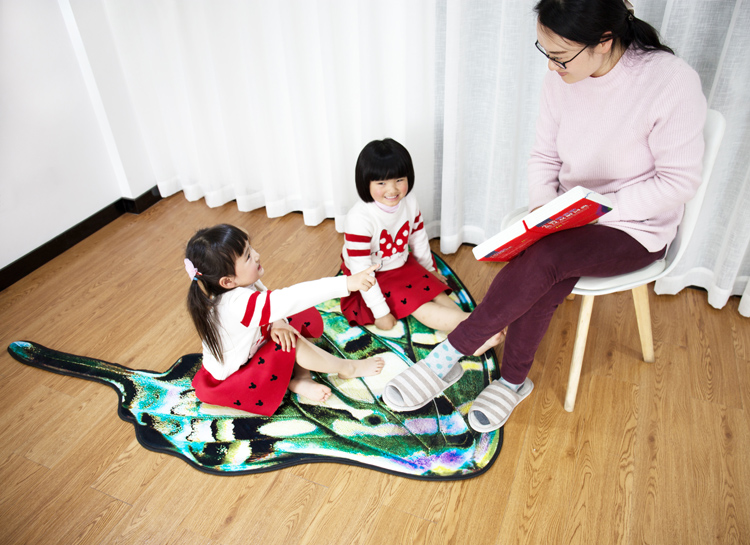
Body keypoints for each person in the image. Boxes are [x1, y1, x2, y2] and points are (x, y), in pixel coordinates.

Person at [383, 0, 706, 429]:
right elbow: (545, 155)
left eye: (560, 56)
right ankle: (512, 381)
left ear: (604, 41)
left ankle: (449, 356)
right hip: (569, 215)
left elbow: (678, 182)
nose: (551, 67)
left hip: (636, 226)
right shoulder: (563, 76)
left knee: (547, 259)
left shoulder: (670, 81)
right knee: (545, 262)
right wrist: (544, 211)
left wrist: (596, 213)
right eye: (545, 52)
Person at [185, 224, 384, 416]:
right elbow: (291, 298)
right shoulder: (234, 305)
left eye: (251, 248)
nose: (256, 255)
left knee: (302, 318)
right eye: (248, 256)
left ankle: (301, 378)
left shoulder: (241, 285)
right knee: (290, 340)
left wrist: (278, 322)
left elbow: (272, 303)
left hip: (253, 353)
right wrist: (346, 283)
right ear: (228, 281)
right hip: (236, 381)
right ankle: (347, 368)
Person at [340, 138, 507, 354]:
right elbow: (361, 271)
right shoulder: (359, 218)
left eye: (399, 180)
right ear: (366, 183)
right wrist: (380, 312)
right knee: (419, 306)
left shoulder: (410, 201)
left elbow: (418, 236)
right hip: (373, 275)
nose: (392, 189)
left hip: (401, 263)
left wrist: (429, 270)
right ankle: (478, 328)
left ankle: (474, 332)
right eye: (381, 183)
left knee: (437, 292)